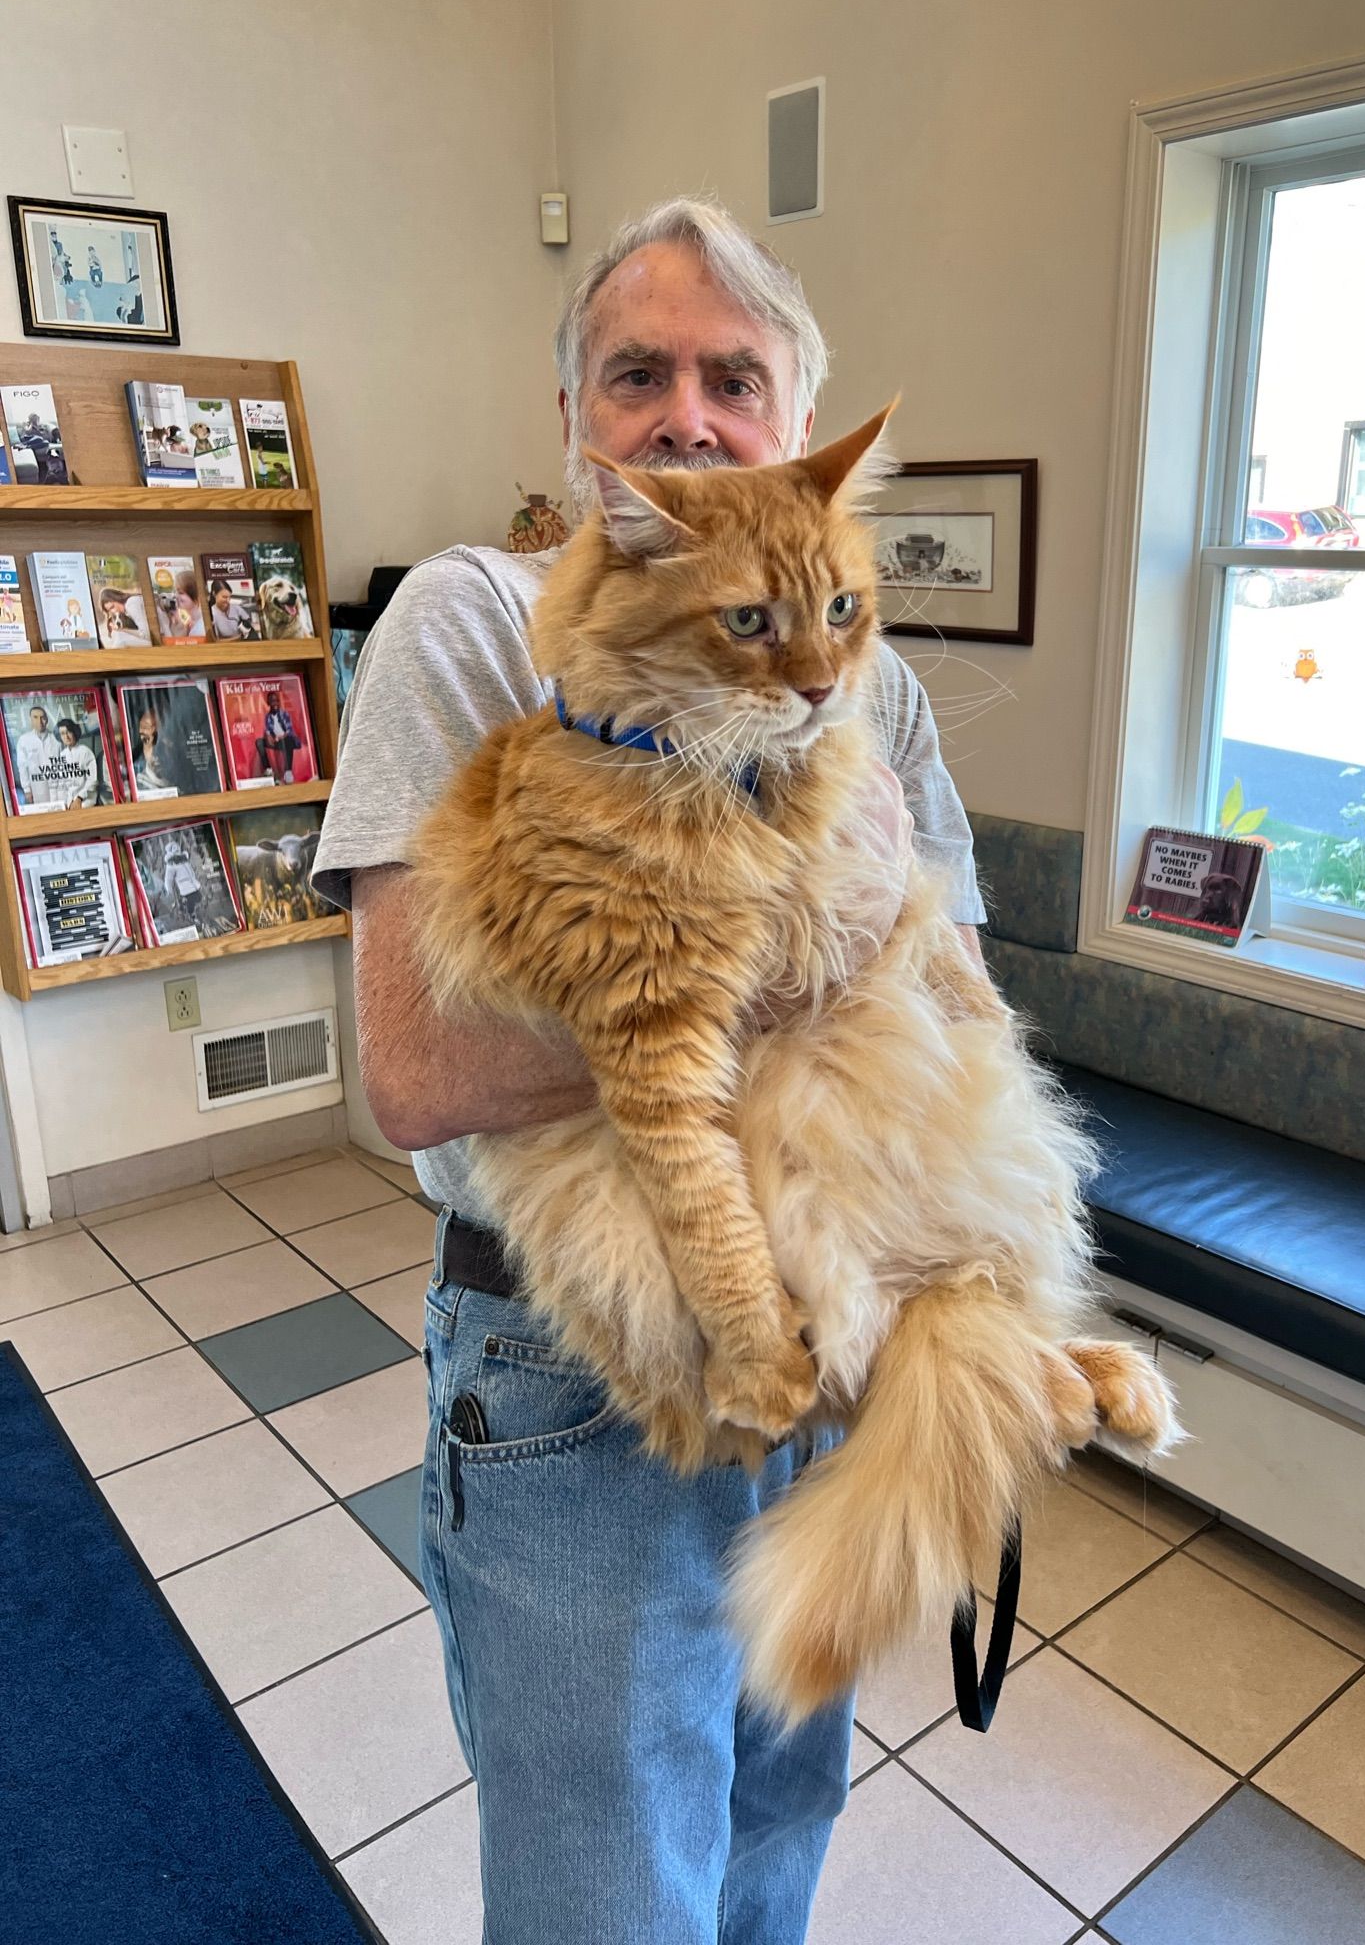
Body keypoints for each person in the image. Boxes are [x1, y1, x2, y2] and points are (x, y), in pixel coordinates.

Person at [314, 198, 989, 1945]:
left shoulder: (862, 674)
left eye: (734, 379)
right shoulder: (473, 623)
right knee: (610, 1898)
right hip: (576, 1374)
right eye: (637, 373)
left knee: (779, 1835)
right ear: (573, 424)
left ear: (793, 426)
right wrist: (813, 947)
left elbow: (965, 999)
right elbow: (416, 1066)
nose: (687, 412)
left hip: (826, 1322)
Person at [15, 705, 60, 805]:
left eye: (42, 717)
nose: (39, 721)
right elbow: (22, 768)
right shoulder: (24, 740)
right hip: (37, 788)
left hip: (58, 786)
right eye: (35, 717)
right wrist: (27, 790)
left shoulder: (57, 739)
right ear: (30, 719)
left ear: (47, 719)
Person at [54, 716, 100, 808]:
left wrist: (79, 798)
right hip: (69, 799)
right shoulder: (62, 755)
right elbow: (61, 783)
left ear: (74, 732)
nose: (66, 736)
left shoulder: (85, 752)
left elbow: (92, 780)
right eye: (62, 733)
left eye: (69, 732)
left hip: (86, 798)